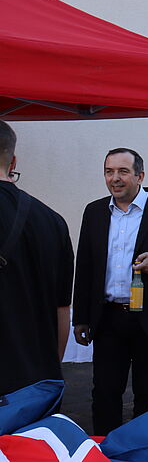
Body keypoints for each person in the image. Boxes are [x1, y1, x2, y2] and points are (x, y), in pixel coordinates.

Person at [73, 148, 148, 435]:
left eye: (123, 172)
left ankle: (145, 459)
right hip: (108, 318)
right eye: (109, 172)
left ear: (140, 176)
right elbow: (86, 266)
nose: (115, 179)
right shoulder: (94, 212)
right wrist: (81, 317)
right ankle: (106, 457)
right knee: (104, 393)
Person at [0, 120, 74, 396]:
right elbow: (61, 310)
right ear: (13, 160)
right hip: (34, 386)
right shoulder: (53, 221)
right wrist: (49, 377)